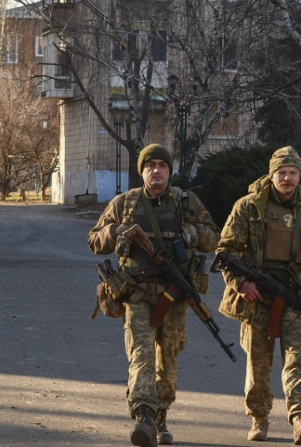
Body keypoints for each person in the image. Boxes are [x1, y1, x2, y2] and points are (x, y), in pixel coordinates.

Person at [88, 144, 220, 447]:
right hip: (136, 296)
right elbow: (94, 240)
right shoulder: (124, 203)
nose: (156, 170)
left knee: (168, 358)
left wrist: (194, 234)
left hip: (174, 297)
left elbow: (214, 238)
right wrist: (117, 231)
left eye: (162, 165)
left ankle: (161, 415)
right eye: (150, 165)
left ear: (169, 171)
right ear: (142, 171)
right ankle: (143, 417)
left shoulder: (186, 203)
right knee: (141, 357)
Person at [215, 146, 301, 444]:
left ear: (299, 176)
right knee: (258, 363)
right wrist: (240, 283)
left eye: (292, 173)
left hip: (295, 297)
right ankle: (259, 418)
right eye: (282, 173)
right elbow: (225, 251)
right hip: (257, 297)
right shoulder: (248, 207)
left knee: (296, 358)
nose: (287, 179)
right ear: (271, 174)